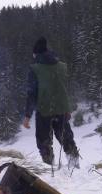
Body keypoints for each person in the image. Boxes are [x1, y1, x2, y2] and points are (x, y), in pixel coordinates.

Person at [23, 37, 80, 168]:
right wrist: (67, 108)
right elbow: (63, 88)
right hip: (62, 109)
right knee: (67, 139)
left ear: (36, 53)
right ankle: (75, 167)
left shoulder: (34, 68)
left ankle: (49, 168)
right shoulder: (61, 66)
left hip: (44, 110)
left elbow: (31, 93)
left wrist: (27, 116)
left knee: (44, 142)